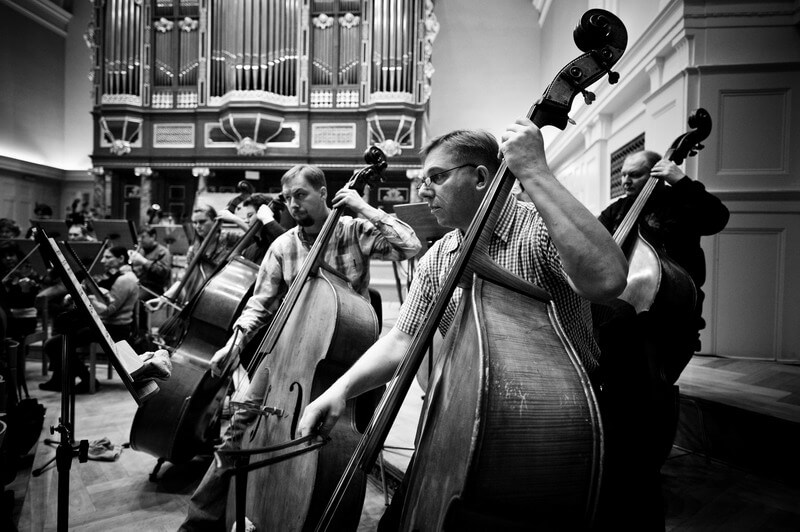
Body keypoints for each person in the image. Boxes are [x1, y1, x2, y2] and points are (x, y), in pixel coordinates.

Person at [297, 121, 628, 529]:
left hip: (556, 422)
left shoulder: (540, 229)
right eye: (424, 180)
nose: (423, 191)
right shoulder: (439, 257)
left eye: (436, 177)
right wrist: (340, 390)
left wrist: (535, 171)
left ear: (481, 177)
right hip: (467, 417)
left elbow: (608, 280)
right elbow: (402, 339)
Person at [178, 164, 421, 531]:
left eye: (301, 195)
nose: (293, 204)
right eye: (288, 197)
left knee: (336, 445)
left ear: (323, 194)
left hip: (340, 358)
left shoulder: (353, 231)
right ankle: (199, 523)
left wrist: (362, 206)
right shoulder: (282, 245)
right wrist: (234, 343)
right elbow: (260, 304)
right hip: (284, 356)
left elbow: (410, 245)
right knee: (238, 431)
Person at [592, 150, 729, 530]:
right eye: (623, 175)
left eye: (635, 175)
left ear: (655, 172)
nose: (626, 181)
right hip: (619, 318)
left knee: (649, 390)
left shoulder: (678, 202)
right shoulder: (617, 211)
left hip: (670, 320)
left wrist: (680, 180)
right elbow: (592, 244)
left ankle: (645, 464)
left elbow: (716, 218)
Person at [40, 246, 139, 393]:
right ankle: (62, 377)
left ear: (121, 259)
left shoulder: (125, 280)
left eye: (108, 257)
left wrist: (87, 298)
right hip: (103, 325)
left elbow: (108, 311)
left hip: (113, 329)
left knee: (55, 344)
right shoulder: (118, 277)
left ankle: (85, 379)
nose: (102, 260)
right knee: (62, 332)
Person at [145, 205, 240, 310]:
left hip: (226, 297)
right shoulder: (194, 249)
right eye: (195, 222)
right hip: (202, 300)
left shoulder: (230, 238)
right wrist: (164, 298)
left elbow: (254, 237)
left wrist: (235, 219)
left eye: (202, 222)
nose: (197, 226)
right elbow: (184, 279)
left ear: (215, 221)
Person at [0, 240, 42, 341]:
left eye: (11, 255)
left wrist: (25, 289)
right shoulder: (3, 274)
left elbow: (27, 301)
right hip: (6, 319)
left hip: (24, 320)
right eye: (4, 257)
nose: (8, 258)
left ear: (18, 255)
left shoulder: (27, 274)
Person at [129, 226, 172, 300]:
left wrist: (143, 261)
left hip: (153, 288)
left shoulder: (163, 251)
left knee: (134, 299)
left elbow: (163, 273)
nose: (139, 240)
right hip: (139, 285)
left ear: (153, 237)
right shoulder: (141, 250)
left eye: (143, 237)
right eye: (138, 237)